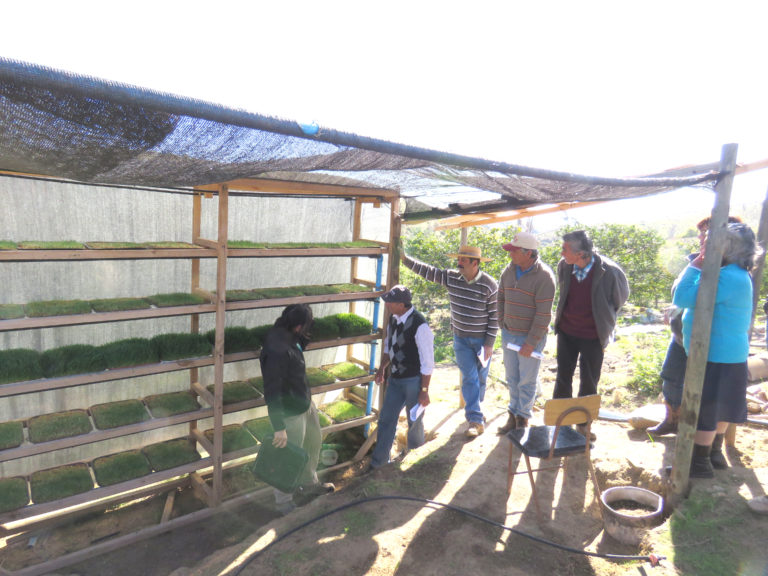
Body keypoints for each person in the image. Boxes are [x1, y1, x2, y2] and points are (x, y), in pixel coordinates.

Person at [672, 222, 758, 478]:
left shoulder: (726, 276)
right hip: (729, 353)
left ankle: (699, 465)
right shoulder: (738, 274)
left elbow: (683, 297)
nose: (706, 246)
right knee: (721, 406)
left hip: (716, 353)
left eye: (712, 242)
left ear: (727, 247)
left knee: (707, 409)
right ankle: (713, 455)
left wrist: (695, 265)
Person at [650, 215, 743, 436]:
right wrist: (676, 309)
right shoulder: (696, 261)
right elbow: (687, 297)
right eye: (701, 233)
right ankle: (672, 420)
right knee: (671, 377)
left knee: (705, 389)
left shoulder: (725, 270)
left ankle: (701, 437)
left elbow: (713, 301)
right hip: (681, 336)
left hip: (707, 341)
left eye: (707, 233)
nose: (701, 237)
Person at [402, 245, 498, 437]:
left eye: (463, 260)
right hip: (461, 339)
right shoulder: (452, 277)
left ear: (475, 263)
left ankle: (475, 409)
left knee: (480, 379)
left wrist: (489, 343)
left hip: (481, 341)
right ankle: (475, 419)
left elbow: (495, 316)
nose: (459, 263)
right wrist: (405, 260)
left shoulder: (489, 285)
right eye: (459, 259)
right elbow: (429, 272)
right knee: (470, 377)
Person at [552, 230, 629, 438]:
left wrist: (602, 318)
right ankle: (560, 423)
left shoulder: (610, 271)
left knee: (589, 381)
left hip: (593, 335)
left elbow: (619, 299)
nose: (561, 253)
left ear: (581, 254)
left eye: (565, 249)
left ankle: (583, 426)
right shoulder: (564, 266)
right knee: (563, 378)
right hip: (567, 331)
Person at [260, 304, 333, 514]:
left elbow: (302, 343)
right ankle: (284, 502)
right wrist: (279, 426)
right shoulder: (276, 349)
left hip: (305, 404)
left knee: (313, 444)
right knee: (288, 457)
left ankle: (309, 484)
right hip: (290, 413)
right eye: (307, 325)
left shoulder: (292, 336)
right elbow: (272, 390)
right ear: (299, 326)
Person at [496, 231, 555, 433]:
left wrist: (531, 343)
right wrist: (501, 322)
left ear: (528, 253)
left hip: (530, 338)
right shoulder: (509, 271)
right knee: (512, 378)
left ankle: (523, 419)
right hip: (509, 333)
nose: (510, 254)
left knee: (527, 380)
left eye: (514, 251)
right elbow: (500, 297)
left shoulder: (544, 276)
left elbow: (543, 314)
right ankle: (512, 415)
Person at [370, 285, 434, 469]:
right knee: (386, 419)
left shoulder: (420, 325)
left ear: (401, 304)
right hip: (396, 379)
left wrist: (424, 390)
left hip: (414, 381)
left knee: (414, 421)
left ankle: (416, 462)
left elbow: (428, 361)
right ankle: (379, 462)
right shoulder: (393, 318)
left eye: (390, 302)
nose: (387, 304)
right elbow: (388, 346)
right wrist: (382, 367)